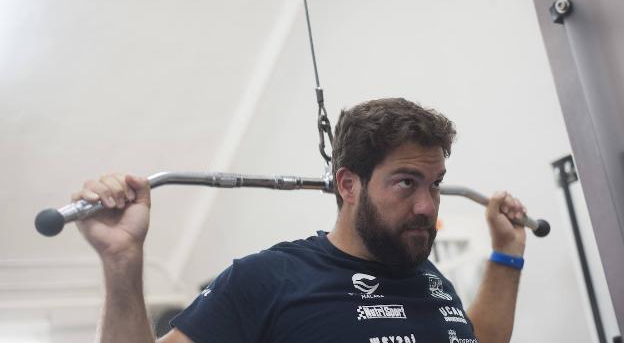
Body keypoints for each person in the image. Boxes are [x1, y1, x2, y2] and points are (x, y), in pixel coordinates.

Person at [73, 98, 527, 343]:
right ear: (348, 186)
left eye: (436, 184)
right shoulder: (267, 281)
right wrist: (122, 263)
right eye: (406, 183)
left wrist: (507, 255)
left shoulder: (426, 275)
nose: (428, 206)